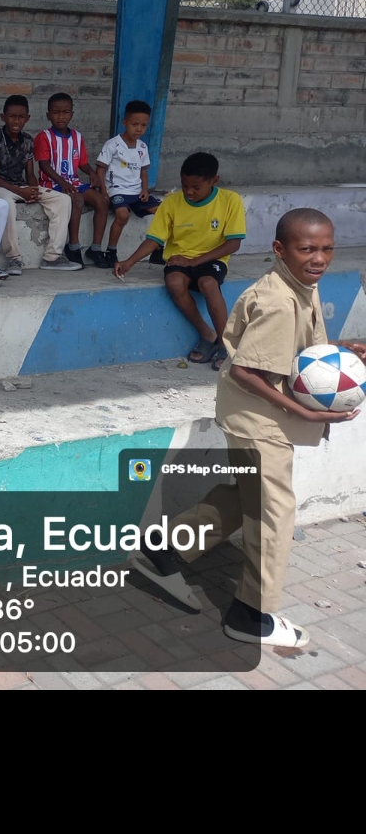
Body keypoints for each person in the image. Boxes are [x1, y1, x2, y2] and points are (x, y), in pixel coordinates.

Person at [128, 208, 366, 652]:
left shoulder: (302, 283)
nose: (319, 258)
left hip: (257, 410)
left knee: (245, 495)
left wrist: (337, 349)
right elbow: (245, 371)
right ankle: (250, 615)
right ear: (280, 249)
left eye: (327, 248)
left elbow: (298, 348)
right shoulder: (277, 301)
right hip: (258, 418)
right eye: (307, 249)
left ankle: (163, 547)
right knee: (274, 510)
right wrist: (308, 414)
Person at [114, 151, 246, 364]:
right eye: (185, 186)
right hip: (179, 259)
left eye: (196, 187)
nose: (189, 192)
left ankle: (225, 343)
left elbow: (233, 243)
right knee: (174, 282)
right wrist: (129, 261)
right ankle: (207, 334)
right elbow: (154, 239)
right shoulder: (171, 203)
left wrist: (194, 261)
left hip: (212, 259)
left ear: (214, 181)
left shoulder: (231, 200)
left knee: (208, 283)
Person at [31, 93, 109, 267]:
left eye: (65, 112)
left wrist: (91, 173)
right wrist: (62, 182)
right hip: (52, 184)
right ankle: (73, 246)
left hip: (73, 182)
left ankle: (96, 248)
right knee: (77, 199)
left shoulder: (77, 137)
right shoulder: (44, 137)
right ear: (48, 115)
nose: (61, 116)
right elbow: (44, 165)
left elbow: (82, 163)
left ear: (72, 114)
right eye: (56, 112)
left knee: (102, 201)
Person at [96, 100, 162, 268]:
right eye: (134, 124)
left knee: (164, 212)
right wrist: (103, 191)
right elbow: (101, 169)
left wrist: (145, 189)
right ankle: (111, 251)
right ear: (124, 122)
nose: (139, 129)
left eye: (143, 125)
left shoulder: (142, 147)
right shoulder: (113, 144)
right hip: (117, 190)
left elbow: (143, 172)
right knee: (123, 215)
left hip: (136, 191)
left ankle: (159, 248)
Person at [0, 93, 38, 280]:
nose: (16, 121)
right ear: (3, 117)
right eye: (12, 116)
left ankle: (54, 255)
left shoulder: (28, 140)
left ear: (27, 118)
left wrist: (34, 191)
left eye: (21, 117)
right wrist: (21, 192)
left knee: (61, 200)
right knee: (6, 203)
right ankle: (14, 257)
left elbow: (30, 174)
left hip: (20, 187)